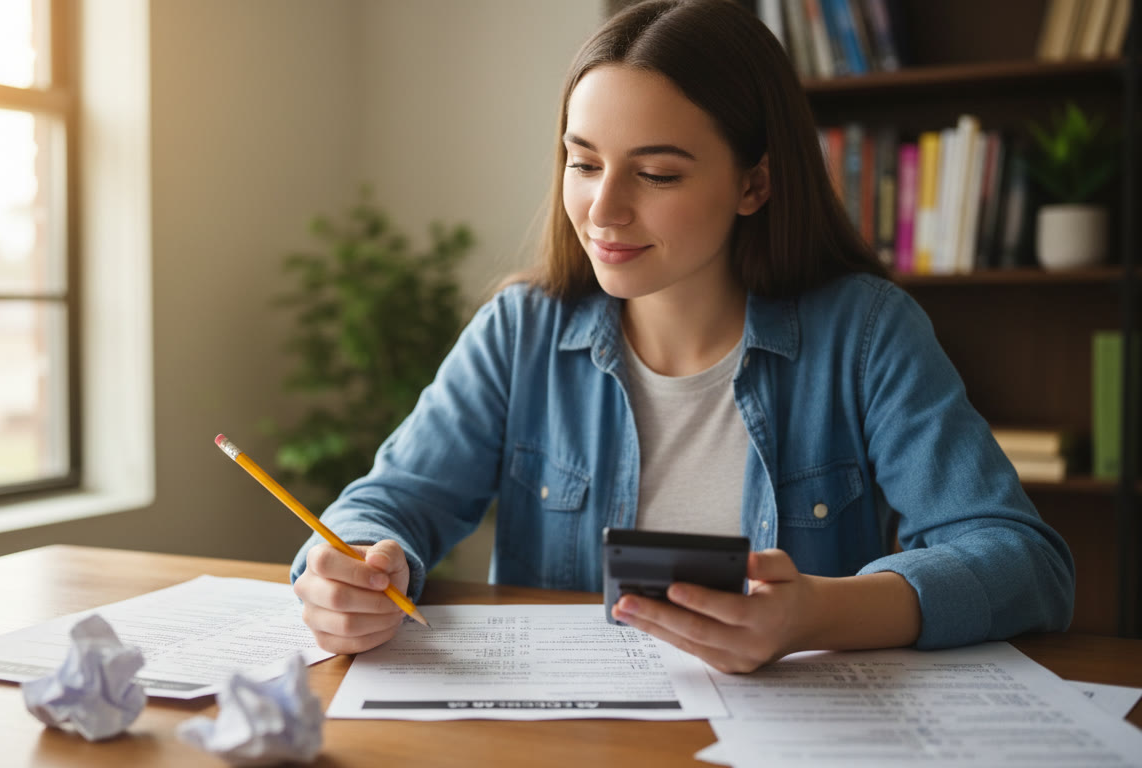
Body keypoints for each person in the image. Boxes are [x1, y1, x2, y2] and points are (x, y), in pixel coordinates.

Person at [288, 0, 1074, 673]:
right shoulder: (520, 331)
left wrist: (815, 616)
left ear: (754, 183)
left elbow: (1023, 562)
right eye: (583, 162)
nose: (603, 210)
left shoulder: (865, 334)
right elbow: (389, 504)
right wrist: (352, 565)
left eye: (656, 174)